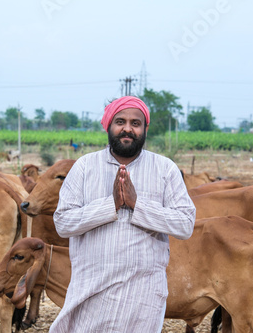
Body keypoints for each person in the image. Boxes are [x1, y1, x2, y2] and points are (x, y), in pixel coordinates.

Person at [51, 96, 196, 332]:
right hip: (91, 292)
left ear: (145, 128)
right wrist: (112, 205)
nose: (127, 128)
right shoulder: (85, 167)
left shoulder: (164, 169)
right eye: (120, 121)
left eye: (135, 123)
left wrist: (138, 205)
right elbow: (63, 223)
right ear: (108, 125)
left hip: (143, 297)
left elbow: (185, 224)